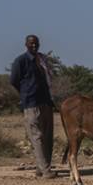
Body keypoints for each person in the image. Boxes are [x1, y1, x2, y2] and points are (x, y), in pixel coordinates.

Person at [8, 34, 56, 177]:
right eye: (31, 44)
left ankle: (42, 167)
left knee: (47, 137)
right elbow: (14, 81)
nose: (34, 46)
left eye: (36, 43)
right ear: (26, 45)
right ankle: (46, 170)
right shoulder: (21, 61)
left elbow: (49, 79)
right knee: (37, 136)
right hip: (31, 103)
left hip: (46, 102)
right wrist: (25, 93)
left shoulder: (42, 60)